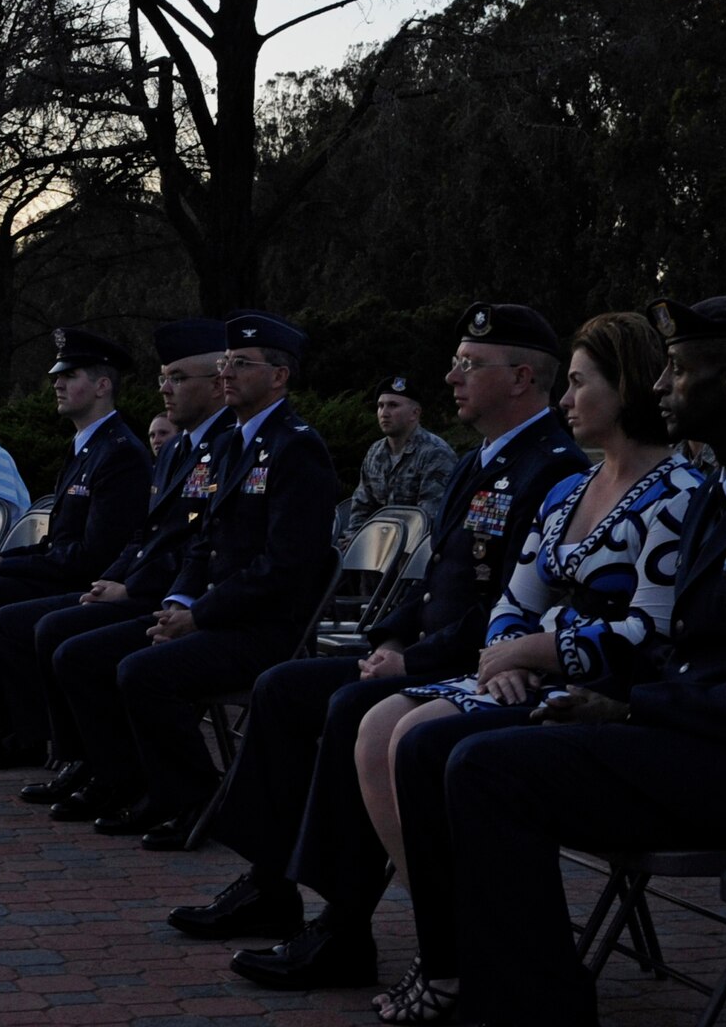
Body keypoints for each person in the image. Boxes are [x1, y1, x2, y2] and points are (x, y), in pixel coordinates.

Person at [378, 294, 726, 1027]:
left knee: (489, 769)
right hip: (688, 735)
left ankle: (533, 1006)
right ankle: (483, 979)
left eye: (678, 371)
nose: (658, 387)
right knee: (436, 745)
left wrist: (630, 705)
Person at [172, 302, 587, 992]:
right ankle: (270, 882)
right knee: (282, 688)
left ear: (520, 379)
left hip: (482, 665)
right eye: (454, 362)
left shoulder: (551, 467)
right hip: (432, 651)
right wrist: (390, 635)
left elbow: (506, 607)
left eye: (468, 365)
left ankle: (342, 925)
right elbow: (440, 580)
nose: (451, 377)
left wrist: (411, 661)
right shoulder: (478, 461)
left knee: (347, 705)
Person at [351, 312, 699, 1022]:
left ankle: (463, 960)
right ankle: (450, 940)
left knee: (419, 741)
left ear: (624, 387)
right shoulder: (567, 492)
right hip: (532, 671)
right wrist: (508, 653)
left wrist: (534, 651)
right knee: (376, 723)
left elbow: (650, 630)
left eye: (578, 384)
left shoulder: (679, 495)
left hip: (605, 688)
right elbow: (514, 597)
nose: (565, 399)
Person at [53, 311, 336, 850]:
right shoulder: (238, 443)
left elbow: (286, 565)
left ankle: (196, 800)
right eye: (225, 362)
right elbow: (202, 539)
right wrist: (180, 599)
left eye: (241, 363)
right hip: (216, 614)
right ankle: (139, 784)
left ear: (279, 377)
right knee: (88, 651)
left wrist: (198, 614)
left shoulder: (295, 446)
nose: (227, 373)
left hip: (262, 628)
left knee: (142, 672)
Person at [2, 318, 235, 814]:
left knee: (74, 645)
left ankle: (131, 778)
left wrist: (133, 590)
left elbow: (203, 543)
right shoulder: (177, 451)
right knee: (55, 632)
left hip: (182, 597)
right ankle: (92, 765)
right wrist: (119, 577)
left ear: (217, 383)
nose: (165, 390)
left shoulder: (226, 451)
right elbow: (146, 534)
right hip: (153, 587)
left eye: (178, 379)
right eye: (162, 379)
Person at [0, 329, 152, 771]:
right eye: (57, 375)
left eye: (69, 375)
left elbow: (96, 555)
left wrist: (15, 569)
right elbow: (60, 540)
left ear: (103, 385)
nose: (56, 383)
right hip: (64, 568)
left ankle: (26, 733)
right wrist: (8, 559)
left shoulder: (119, 453)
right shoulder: (85, 448)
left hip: (88, 582)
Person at [341, 375, 457, 545]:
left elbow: (430, 519)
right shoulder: (375, 453)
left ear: (415, 413)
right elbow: (362, 506)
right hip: (374, 553)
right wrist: (354, 540)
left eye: (393, 405)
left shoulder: (435, 454)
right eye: (380, 406)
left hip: (414, 556)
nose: (384, 413)